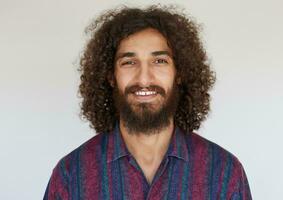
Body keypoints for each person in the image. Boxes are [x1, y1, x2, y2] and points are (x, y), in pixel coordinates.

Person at [44, 5, 252, 200]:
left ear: (179, 73)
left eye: (159, 61)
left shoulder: (224, 172)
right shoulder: (71, 174)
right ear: (110, 76)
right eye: (129, 62)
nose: (144, 79)